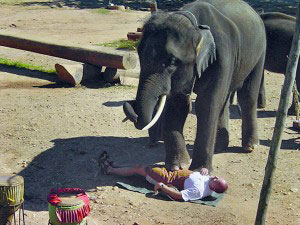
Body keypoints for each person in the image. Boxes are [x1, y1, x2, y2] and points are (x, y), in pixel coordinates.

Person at [99, 151, 228, 201]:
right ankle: (116, 164)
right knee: (140, 165)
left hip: (168, 178)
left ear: (214, 189)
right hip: (175, 170)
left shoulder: (199, 191)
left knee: (138, 168)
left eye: (216, 180)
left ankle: (110, 170)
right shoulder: (210, 181)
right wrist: (204, 171)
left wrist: (163, 187)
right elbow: (206, 176)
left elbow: (180, 196)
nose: (215, 177)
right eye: (217, 177)